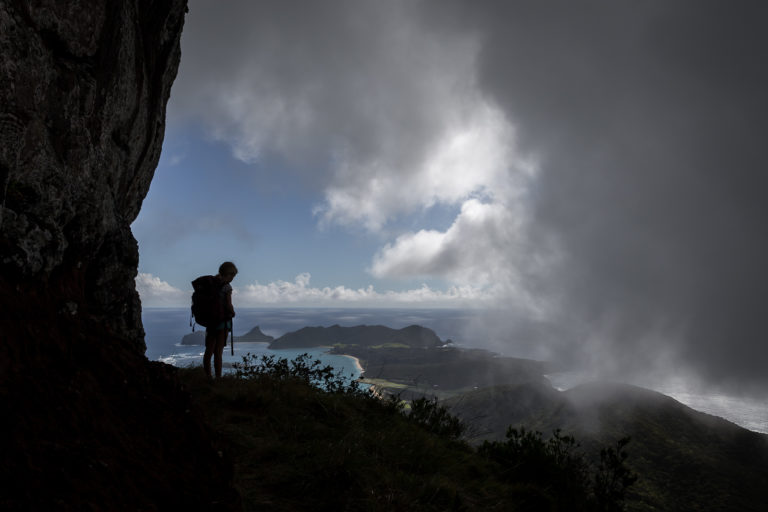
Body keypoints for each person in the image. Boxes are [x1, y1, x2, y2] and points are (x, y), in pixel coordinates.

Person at [203, 261, 238, 379]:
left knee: (209, 350)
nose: (232, 278)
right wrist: (233, 312)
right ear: (228, 274)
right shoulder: (227, 286)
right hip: (222, 322)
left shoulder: (212, 283)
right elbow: (228, 304)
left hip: (211, 321)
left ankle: (207, 376)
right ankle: (218, 378)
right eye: (232, 276)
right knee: (218, 352)